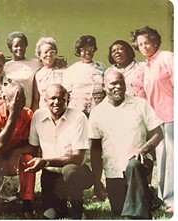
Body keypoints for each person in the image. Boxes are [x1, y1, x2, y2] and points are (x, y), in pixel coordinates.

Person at [88, 71, 163, 219]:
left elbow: (158, 133)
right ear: (104, 86)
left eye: (121, 83)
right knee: (119, 209)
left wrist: (143, 150)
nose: (118, 87)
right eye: (113, 84)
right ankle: (148, 196)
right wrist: (97, 181)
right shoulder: (97, 112)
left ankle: (138, 214)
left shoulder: (140, 104)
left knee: (133, 166)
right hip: (114, 171)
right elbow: (95, 150)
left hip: (139, 164)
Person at [25, 84, 93, 219]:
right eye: (53, 98)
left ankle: (77, 206)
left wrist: (46, 161)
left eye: (61, 98)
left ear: (68, 99)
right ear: (45, 100)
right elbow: (33, 148)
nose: (57, 102)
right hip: (51, 175)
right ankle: (61, 205)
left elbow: (78, 158)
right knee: (49, 216)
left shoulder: (78, 117)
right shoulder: (38, 116)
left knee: (70, 171)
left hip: (77, 171)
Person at [130, 26, 174, 213]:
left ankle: (174, 200)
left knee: (173, 159)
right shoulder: (146, 65)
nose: (144, 46)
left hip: (172, 116)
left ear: (156, 41)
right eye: (140, 44)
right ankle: (166, 197)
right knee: (163, 160)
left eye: (147, 42)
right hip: (157, 120)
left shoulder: (167, 57)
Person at [0, 82, 37, 218]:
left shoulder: (28, 114)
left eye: (23, 99)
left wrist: (16, 152)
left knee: (28, 160)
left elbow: (33, 146)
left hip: (13, 154)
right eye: (16, 100)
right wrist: (12, 115)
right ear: (6, 99)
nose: (21, 103)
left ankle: (27, 203)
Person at [63, 35, 106, 117]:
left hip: (98, 110)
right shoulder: (70, 70)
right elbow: (66, 94)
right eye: (84, 50)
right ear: (79, 51)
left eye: (91, 49)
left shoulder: (101, 67)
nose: (88, 52)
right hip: (77, 111)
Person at [4, 31, 42, 108]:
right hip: (11, 108)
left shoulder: (36, 63)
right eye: (16, 46)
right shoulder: (5, 66)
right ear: (10, 49)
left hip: (29, 108)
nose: (19, 48)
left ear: (26, 46)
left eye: (22, 45)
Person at [31, 37, 67, 112]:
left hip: (61, 111)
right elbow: (36, 100)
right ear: (40, 56)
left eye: (52, 52)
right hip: (44, 113)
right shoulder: (38, 75)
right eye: (46, 52)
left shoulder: (64, 71)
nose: (49, 55)